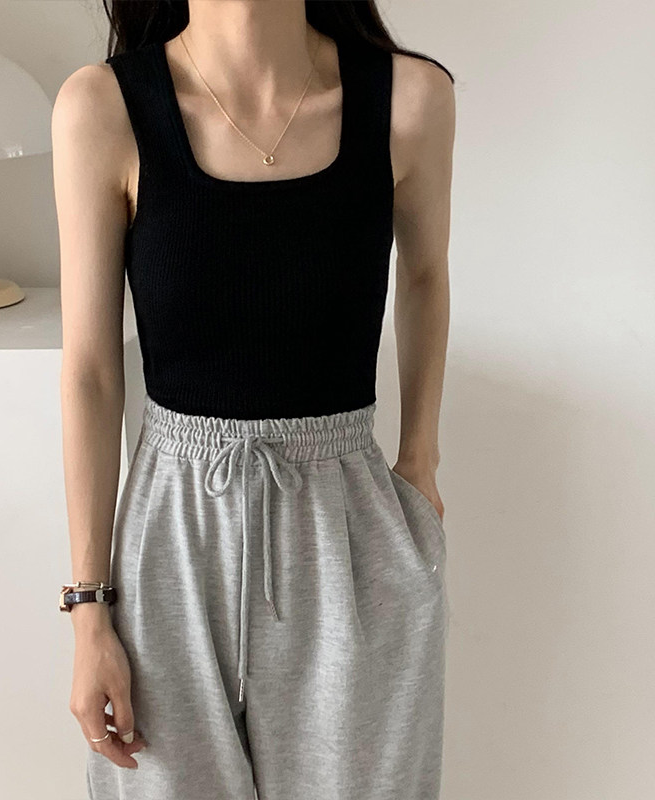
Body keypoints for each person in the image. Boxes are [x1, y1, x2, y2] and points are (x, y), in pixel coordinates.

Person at [52, 2, 455, 798]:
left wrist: (420, 461)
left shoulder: (409, 99)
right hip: (171, 536)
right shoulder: (104, 108)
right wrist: (89, 609)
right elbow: (92, 371)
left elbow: (424, 275)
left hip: (351, 523)